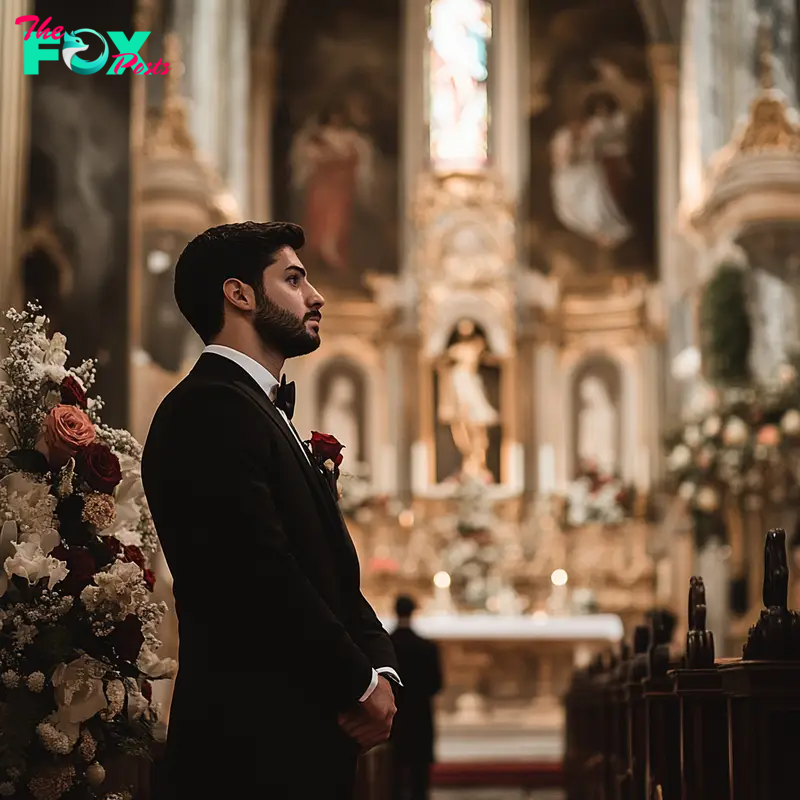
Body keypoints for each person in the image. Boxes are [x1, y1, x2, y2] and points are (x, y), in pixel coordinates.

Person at [141, 221, 401, 799]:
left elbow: (334, 576)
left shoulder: (259, 412)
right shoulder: (206, 408)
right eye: (293, 279)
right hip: (249, 748)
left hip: (300, 738)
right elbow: (260, 573)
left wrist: (382, 673)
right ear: (239, 294)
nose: (316, 296)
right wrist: (359, 684)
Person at [390, 596, 443, 800]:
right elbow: (436, 685)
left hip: (395, 715)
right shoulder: (427, 646)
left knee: (393, 769)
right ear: (413, 612)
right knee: (419, 771)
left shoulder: (387, 645)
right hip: (420, 714)